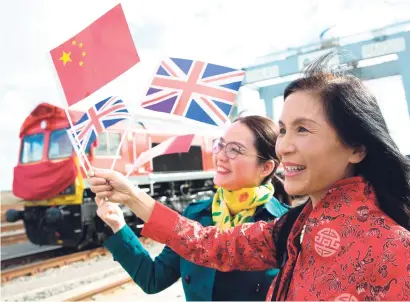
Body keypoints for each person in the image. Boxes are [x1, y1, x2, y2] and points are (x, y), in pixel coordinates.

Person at [89, 53, 410, 301]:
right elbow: (207, 244)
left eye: (302, 129)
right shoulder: (292, 229)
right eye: (283, 130)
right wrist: (132, 198)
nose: (284, 146)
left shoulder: (397, 249)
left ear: (356, 148)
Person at [92, 115, 289, 301]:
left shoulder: (284, 225)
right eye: (220, 145)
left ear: (266, 167)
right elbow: (153, 278)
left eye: (235, 150)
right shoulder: (195, 215)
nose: (220, 155)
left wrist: (133, 197)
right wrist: (118, 225)